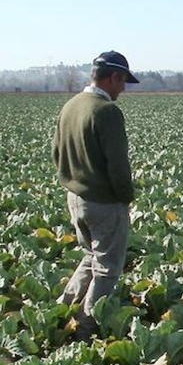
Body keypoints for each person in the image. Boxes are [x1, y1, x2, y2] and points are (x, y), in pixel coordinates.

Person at [52, 50, 139, 341]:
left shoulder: (71, 106)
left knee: (91, 257)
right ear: (113, 77)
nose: (123, 89)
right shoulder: (106, 112)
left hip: (75, 197)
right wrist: (125, 199)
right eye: (123, 81)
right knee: (107, 270)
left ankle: (62, 310)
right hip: (103, 202)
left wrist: (72, 181)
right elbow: (118, 165)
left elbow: (56, 153)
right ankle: (87, 327)